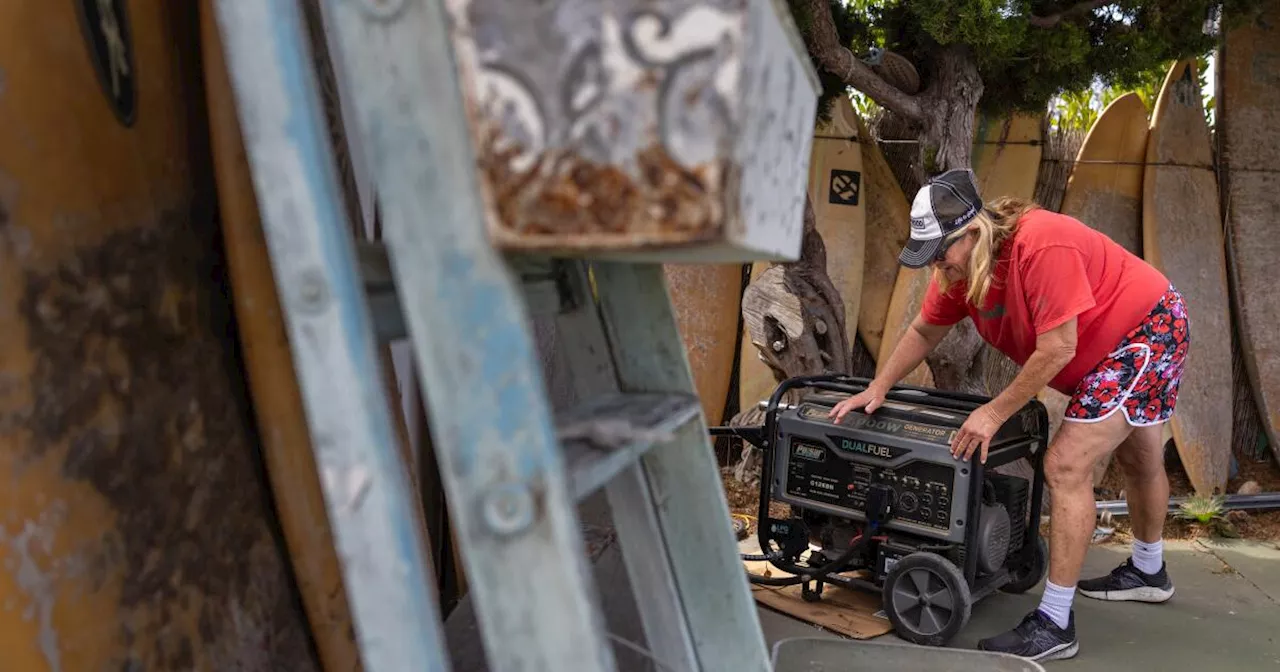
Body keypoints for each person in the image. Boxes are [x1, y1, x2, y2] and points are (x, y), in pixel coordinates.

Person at [828, 169, 1189, 662]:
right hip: (1115, 341)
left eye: (940, 253)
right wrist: (877, 386)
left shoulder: (1042, 245)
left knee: (1065, 466)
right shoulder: (963, 269)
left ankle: (1055, 624)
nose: (937, 266)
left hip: (1146, 331)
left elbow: (1058, 347)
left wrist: (993, 413)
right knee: (1140, 456)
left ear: (972, 232)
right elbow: (923, 330)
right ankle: (1150, 571)